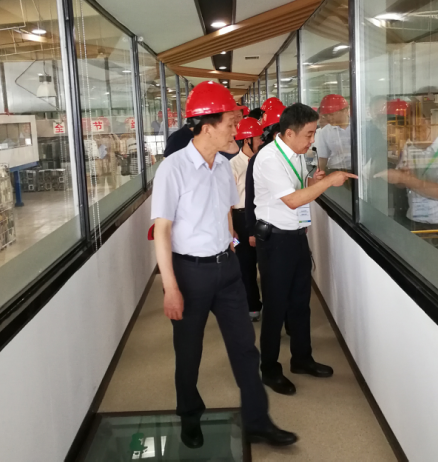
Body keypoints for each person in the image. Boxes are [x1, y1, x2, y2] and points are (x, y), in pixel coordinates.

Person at [151, 80, 297, 449]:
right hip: (190, 273)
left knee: (245, 349)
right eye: (230, 123)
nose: (236, 130)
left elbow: (227, 212)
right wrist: (170, 287)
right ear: (207, 125)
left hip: (227, 270)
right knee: (189, 352)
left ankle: (258, 421)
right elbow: (162, 230)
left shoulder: (222, 166)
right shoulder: (173, 169)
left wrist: (229, 241)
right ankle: (189, 416)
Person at [253, 103, 356, 396]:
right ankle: (269, 368)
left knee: (300, 302)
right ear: (289, 133)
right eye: (309, 134)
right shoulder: (269, 159)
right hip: (275, 242)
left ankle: (302, 358)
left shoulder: (296, 154)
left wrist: (313, 181)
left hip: (296, 236)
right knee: (275, 306)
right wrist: (329, 182)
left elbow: (298, 188)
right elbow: (293, 201)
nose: (312, 140)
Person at [374, 90, 438, 244]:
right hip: (415, 219)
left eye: (418, 128)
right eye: (409, 128)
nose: (413, 134)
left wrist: (404, 178)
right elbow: (403, 183)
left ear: (433, 122)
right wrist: (399, 178)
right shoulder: (412, 145)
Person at [230, 117, 264, 322]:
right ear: (247, 140)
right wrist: (231, 230)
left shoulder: (263, 161)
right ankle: (252, 306)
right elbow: (227, 201)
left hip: (262, 216)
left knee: (266, 263)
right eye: (258, 138)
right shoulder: (233, 165)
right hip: (240, 220)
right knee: (246, 264)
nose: (261, 141)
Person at [245, 105, 284, 248]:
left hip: (287, 226)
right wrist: (251, 231)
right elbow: (250, 196)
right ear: (275, 134)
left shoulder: (290, 156)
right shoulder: (259, 158)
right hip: (267, 229)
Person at [315, 94, 351, 171]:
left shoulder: (359, 128)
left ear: (345, 111)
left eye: (331, 114)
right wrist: (320, 174)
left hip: (358, 170)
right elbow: (323, 157)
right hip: (334, 170)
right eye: (326, 115)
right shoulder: (325, 131)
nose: (329, 118)